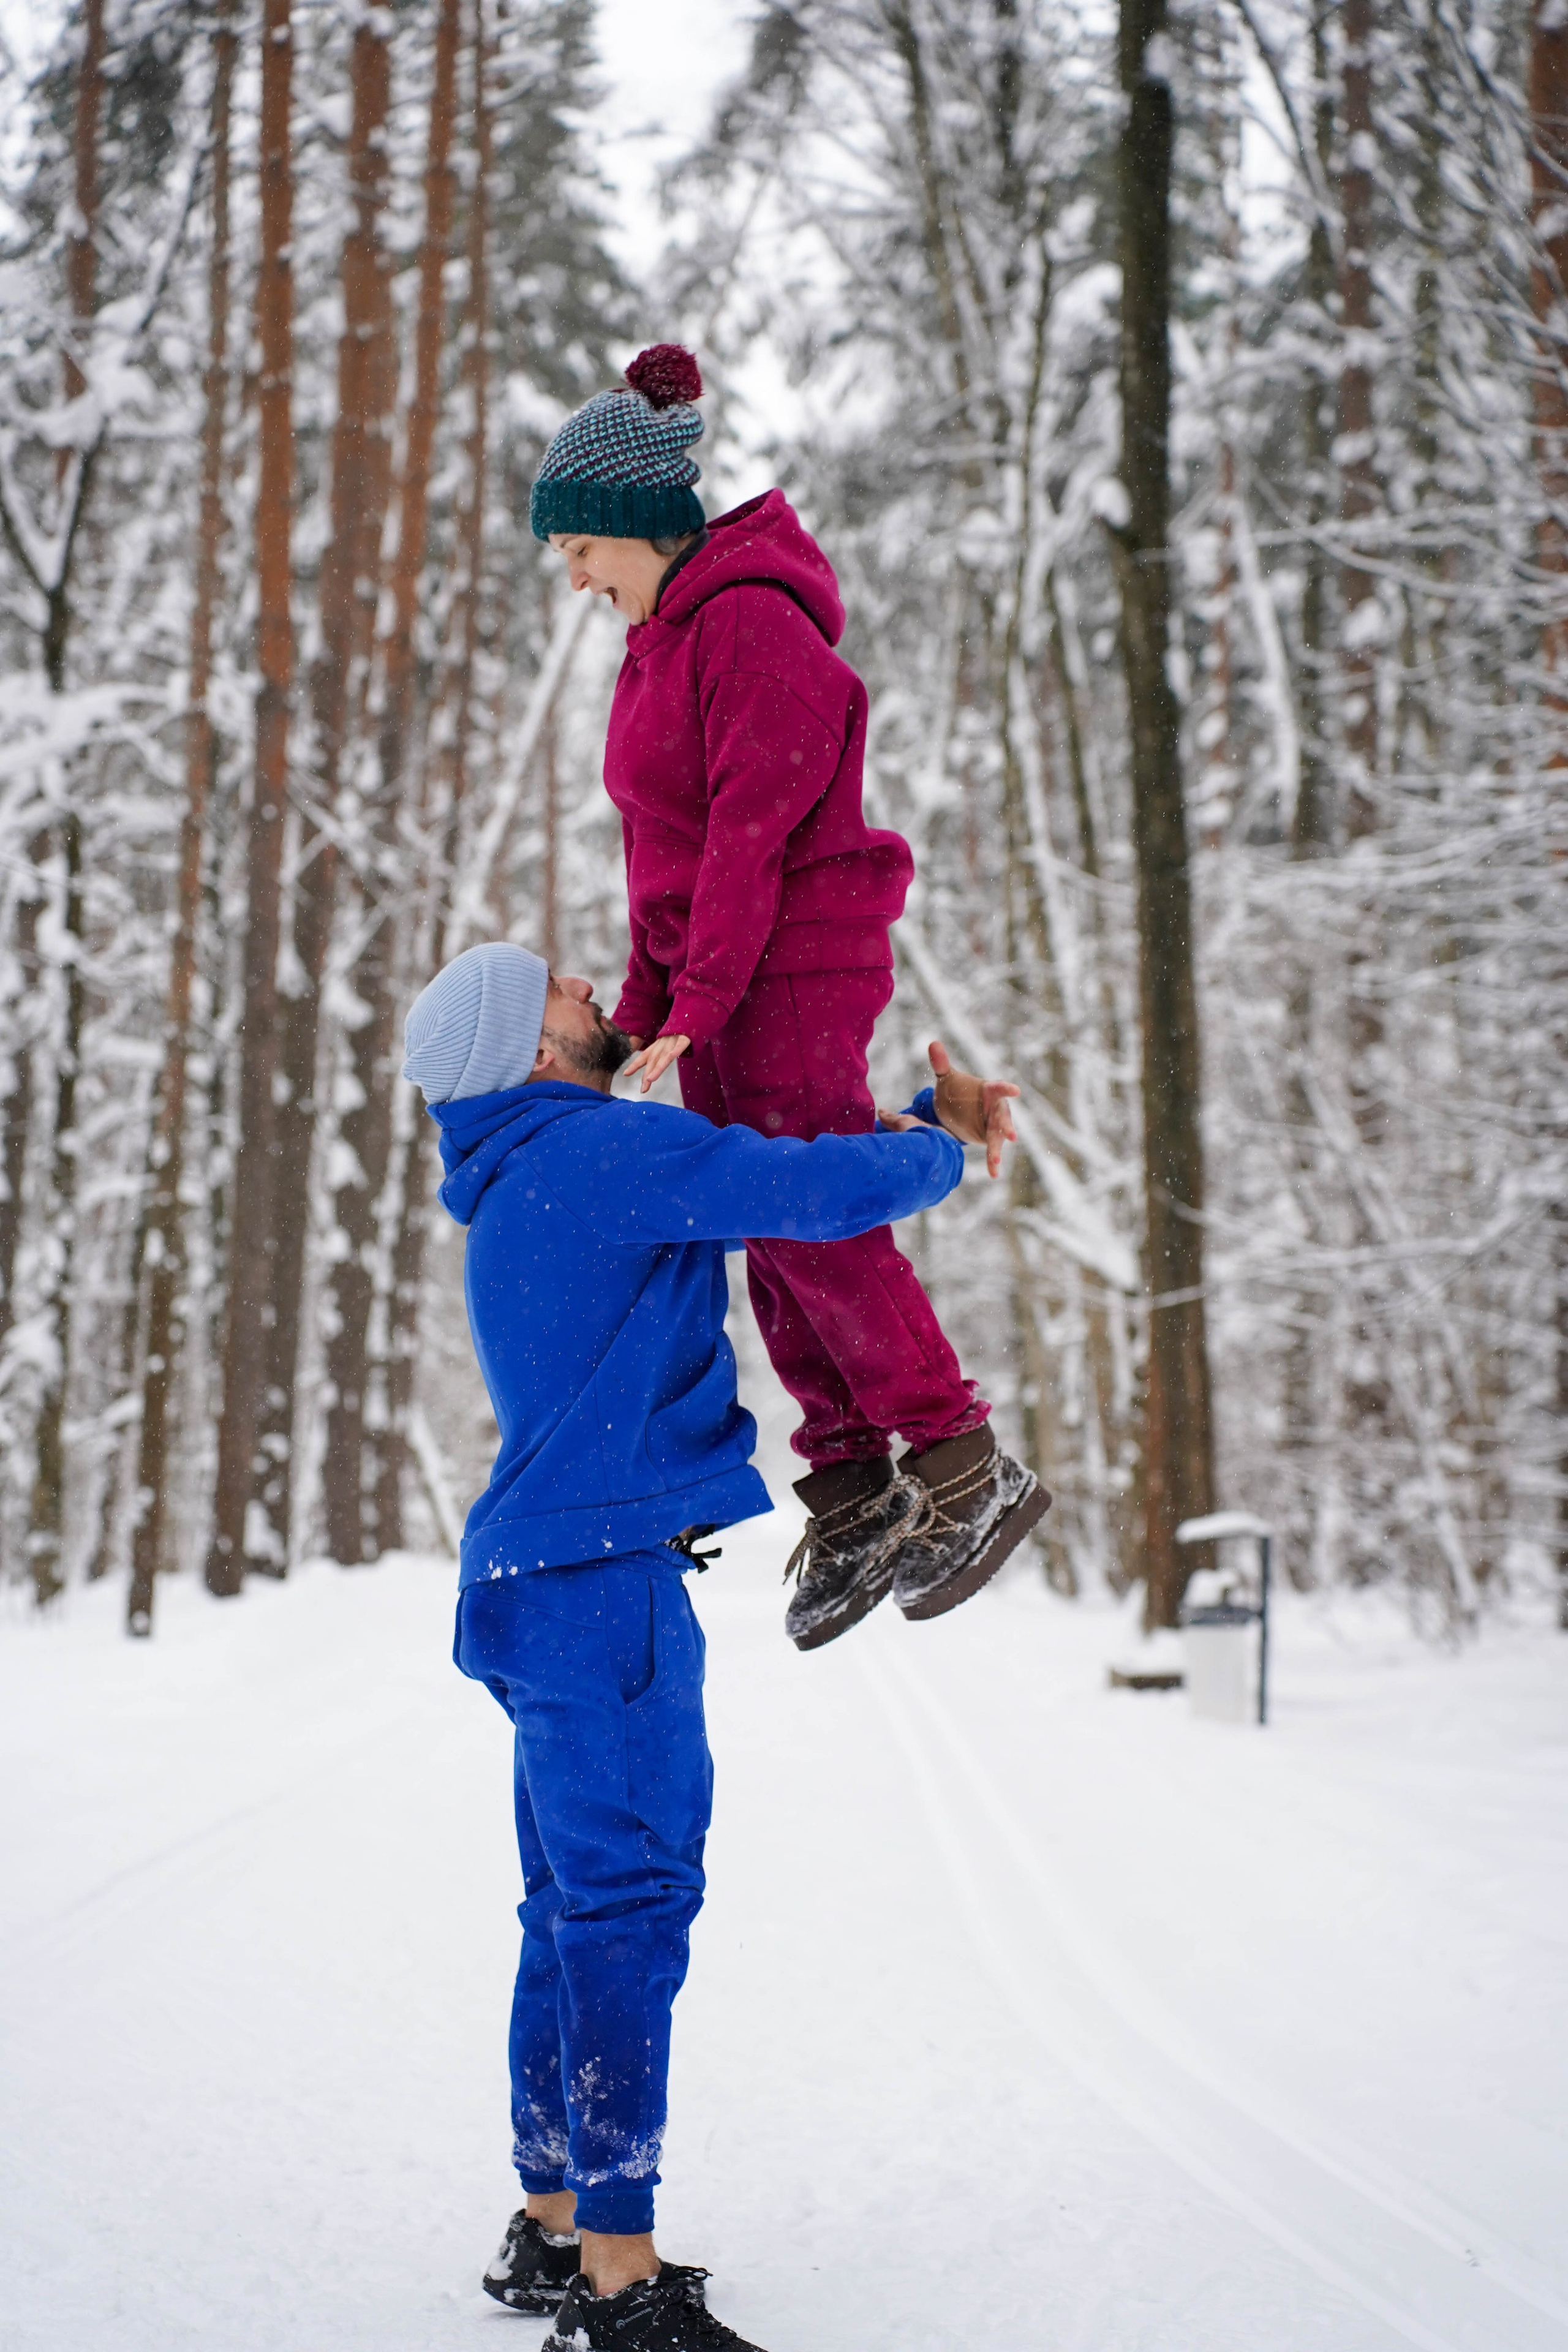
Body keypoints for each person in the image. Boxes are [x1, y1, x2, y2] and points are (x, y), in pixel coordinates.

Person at [401, 939, 1022, 2352]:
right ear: (534, 1054)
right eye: (558, 990)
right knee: (627, 1912)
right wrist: (931, 1148)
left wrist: (648, 1112)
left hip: (537, 1581)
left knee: (570, 1910)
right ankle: (618, 2284)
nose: (586, 984)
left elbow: (727, 1177)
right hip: (598, 1588)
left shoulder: (537, 1161)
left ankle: (550, 2226)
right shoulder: (585, 1153)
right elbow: (791, 1194)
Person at [531, 341, 1050, 1653]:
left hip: (793, 957)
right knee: (758, 1214)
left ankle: (954, 1458)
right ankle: (853, 1484)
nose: (572, 573)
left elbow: (754, 835)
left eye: (579, 545)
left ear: (638, 526)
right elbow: (666, 855)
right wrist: (652, 1009)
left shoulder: (752, 630)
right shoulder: (658, 643)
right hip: (718, 972)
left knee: (805, 1208)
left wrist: (697, 996)